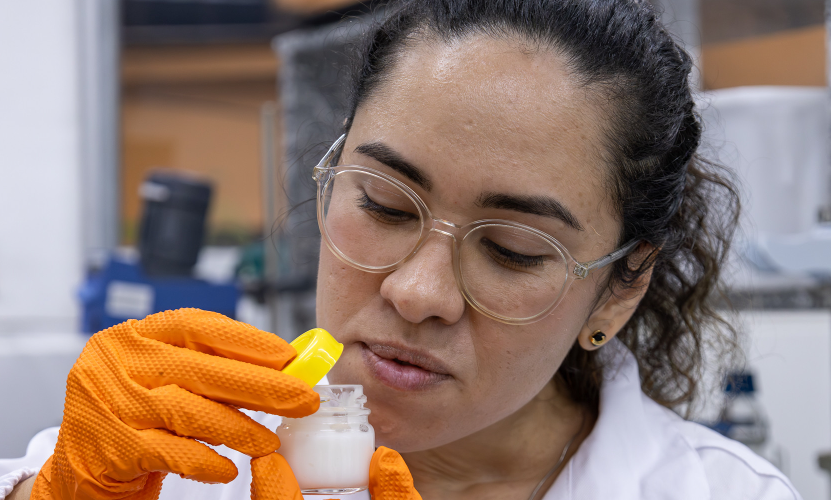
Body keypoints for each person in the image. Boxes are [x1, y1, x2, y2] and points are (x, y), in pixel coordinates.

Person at [1, 0, 803, 499]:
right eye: (383, 204)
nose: (418, 292)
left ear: (620, 290)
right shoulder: (163, 460)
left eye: (515, 250)